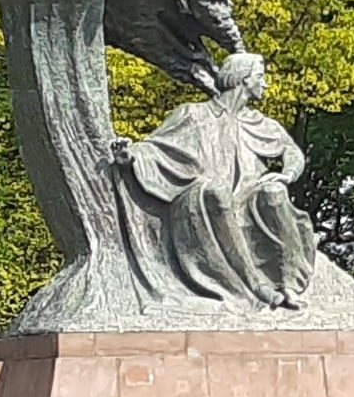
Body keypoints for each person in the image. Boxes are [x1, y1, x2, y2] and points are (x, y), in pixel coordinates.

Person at [110, 52, 316, 311]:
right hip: (202, 203)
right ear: (243, 79)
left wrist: (287, 174)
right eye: (260, 77)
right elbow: (154, 148)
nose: (266, 84)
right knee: (217, 190)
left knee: (274, 192)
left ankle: (288, 284)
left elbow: (292, 151)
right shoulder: (194, 114)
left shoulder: (260, 123)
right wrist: (130, 157)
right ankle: (254, 284)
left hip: (248, 202)